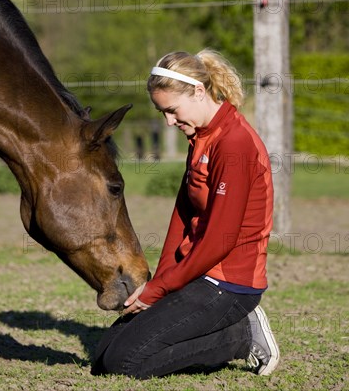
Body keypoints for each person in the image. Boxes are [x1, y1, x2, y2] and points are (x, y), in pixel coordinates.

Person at [91, 49, 280, 379]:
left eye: (172, 110)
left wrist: (159, 292)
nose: (169, 121)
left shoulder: (234, 143)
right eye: (161, 112)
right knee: (105, 353)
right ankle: (223, 331)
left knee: (124, 363)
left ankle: (241, 336)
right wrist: (158, 279)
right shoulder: (200, 136)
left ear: (198, 91)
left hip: (228, 284)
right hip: (196, 274)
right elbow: (182, 213)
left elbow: (219, 242)